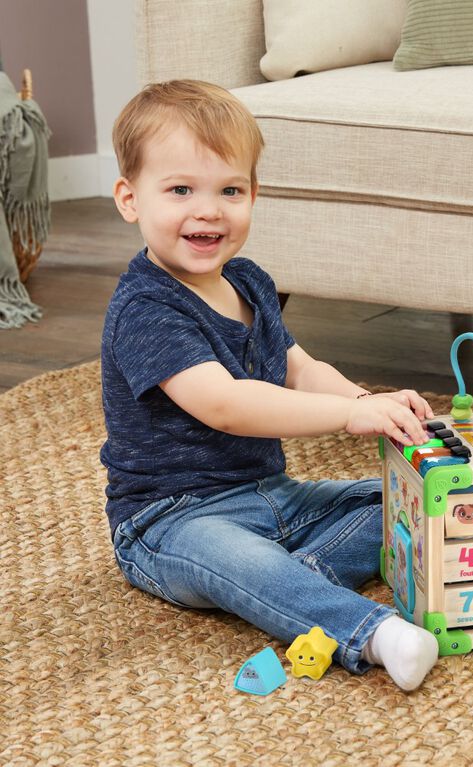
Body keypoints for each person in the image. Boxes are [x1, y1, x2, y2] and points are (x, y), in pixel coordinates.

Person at [101, 80, 439, 691]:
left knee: (405, 499)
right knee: (235, 558)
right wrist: (344, 419)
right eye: (180, 190)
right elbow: (226, 405)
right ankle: (371, 633)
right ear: (130, 199)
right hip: (171, 520)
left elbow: (299, 368)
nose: (209, 210)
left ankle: (287, 585)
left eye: (230, 190)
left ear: (253, 194)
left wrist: (366, 401)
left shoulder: (250, 281)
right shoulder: (146, 309)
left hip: (272, 495)